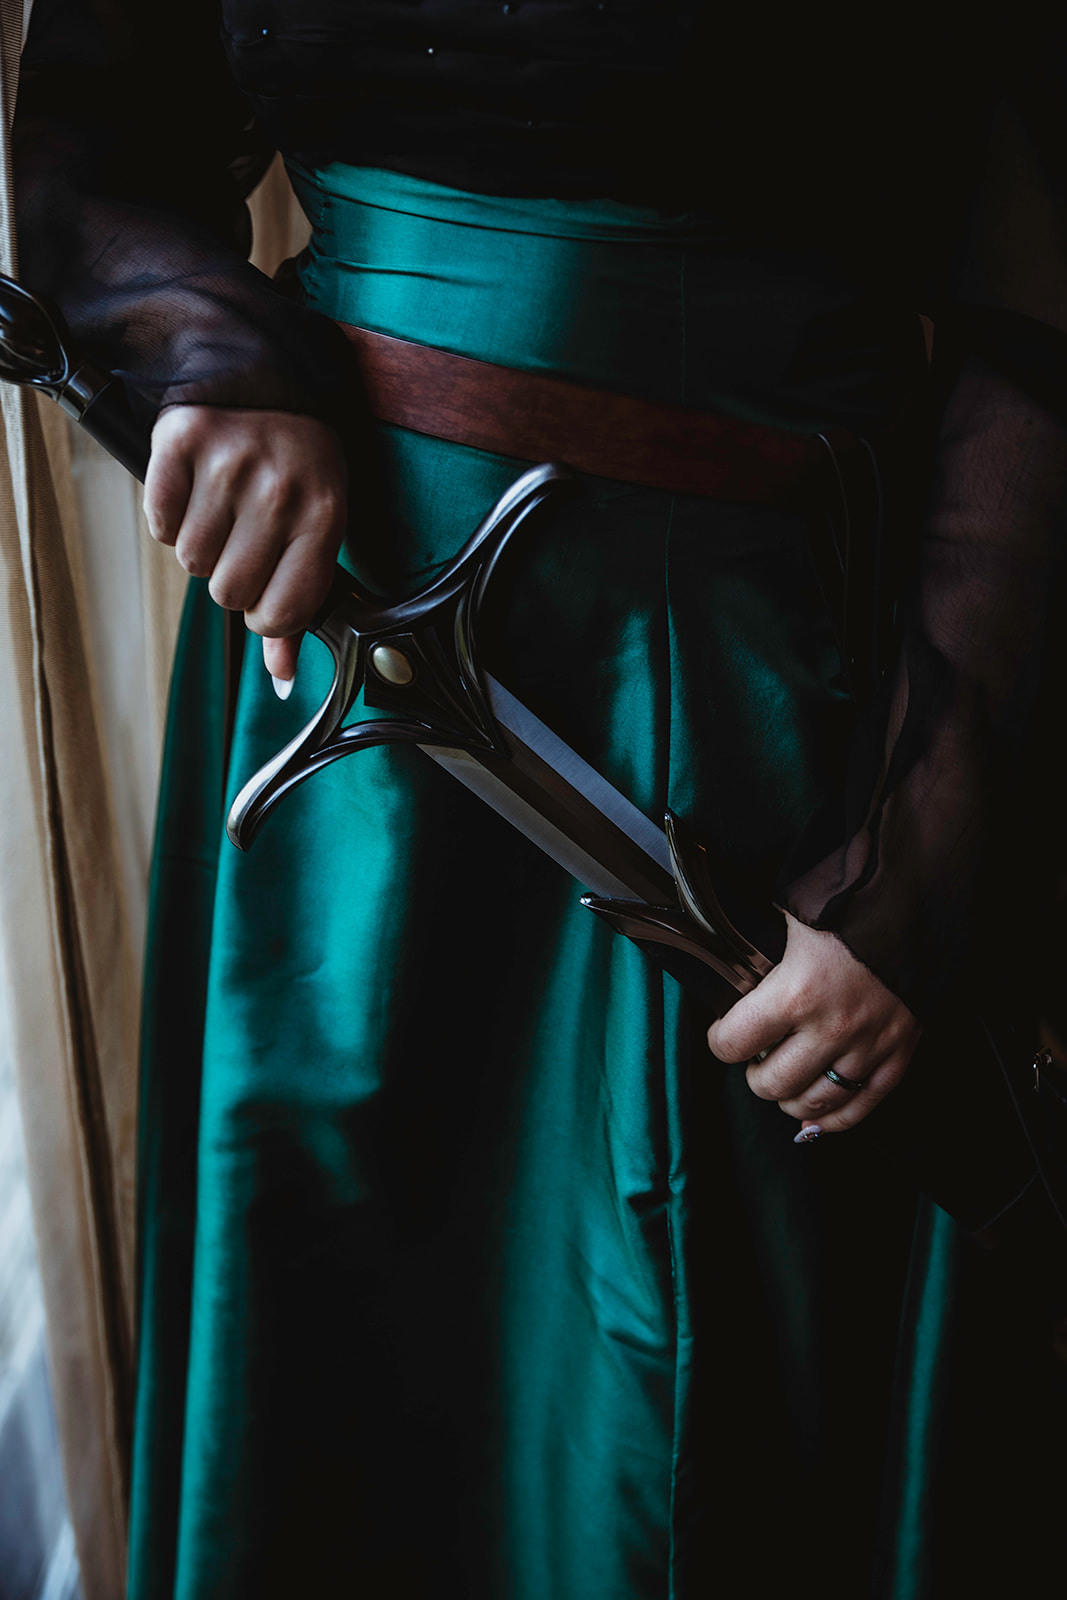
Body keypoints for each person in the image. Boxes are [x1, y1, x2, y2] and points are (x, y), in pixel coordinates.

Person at [12, 4, 1067, 1596]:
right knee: (352, 1363)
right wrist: (213, 360)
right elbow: (99, 154)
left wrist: (917, 858)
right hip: (345, 690)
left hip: (780, 726)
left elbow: (1037, 308)